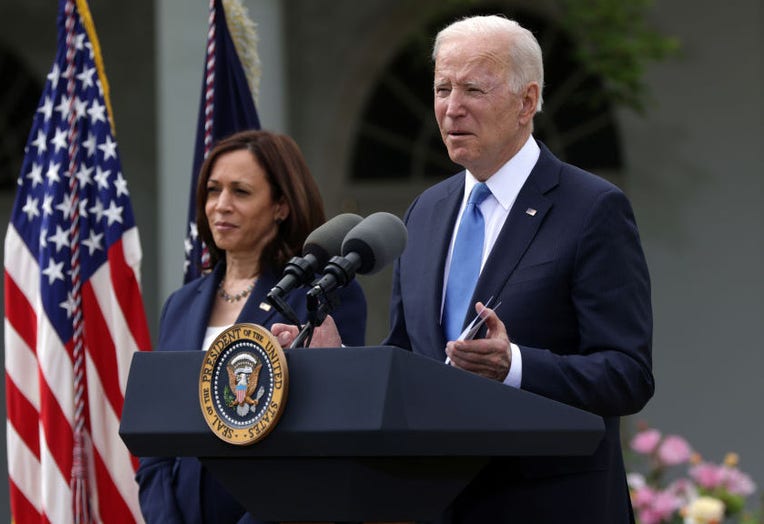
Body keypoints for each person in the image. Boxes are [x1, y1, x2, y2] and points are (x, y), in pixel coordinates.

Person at [273, 14, 653, 523]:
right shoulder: (424, 213)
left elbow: (628, 374)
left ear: (526, 102)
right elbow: (410, 358)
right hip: (438, 502)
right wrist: (339, 358)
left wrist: (513, 365)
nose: (452, 109)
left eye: (473, 89)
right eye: (442, 88)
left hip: (550, 505)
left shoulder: (592, 208)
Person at [135, 129, 367, 524]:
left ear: (281, 205)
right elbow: (157, 440)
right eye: (213, 191)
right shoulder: (180, 304)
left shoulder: (319, 298)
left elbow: (323, 438)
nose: (221, 206)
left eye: (240, 192)